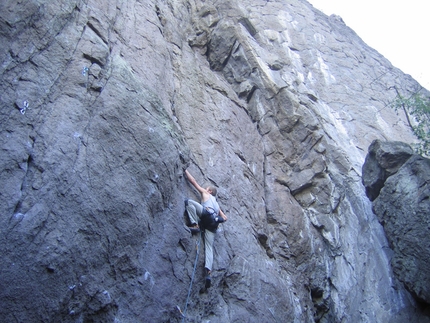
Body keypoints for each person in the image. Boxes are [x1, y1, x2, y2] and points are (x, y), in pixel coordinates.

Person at [184, 169, 227, 289]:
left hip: (206, 215)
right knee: (209, 247)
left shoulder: (206, 194)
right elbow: (225, 218)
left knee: (188, 202)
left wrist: (185, 170)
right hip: (213, 224)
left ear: (209, 191)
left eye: (206, 188)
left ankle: (194, 225)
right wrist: (219, 217)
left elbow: (193, 182)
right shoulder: (217, 204)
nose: (205, 188)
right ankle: (208, 272)